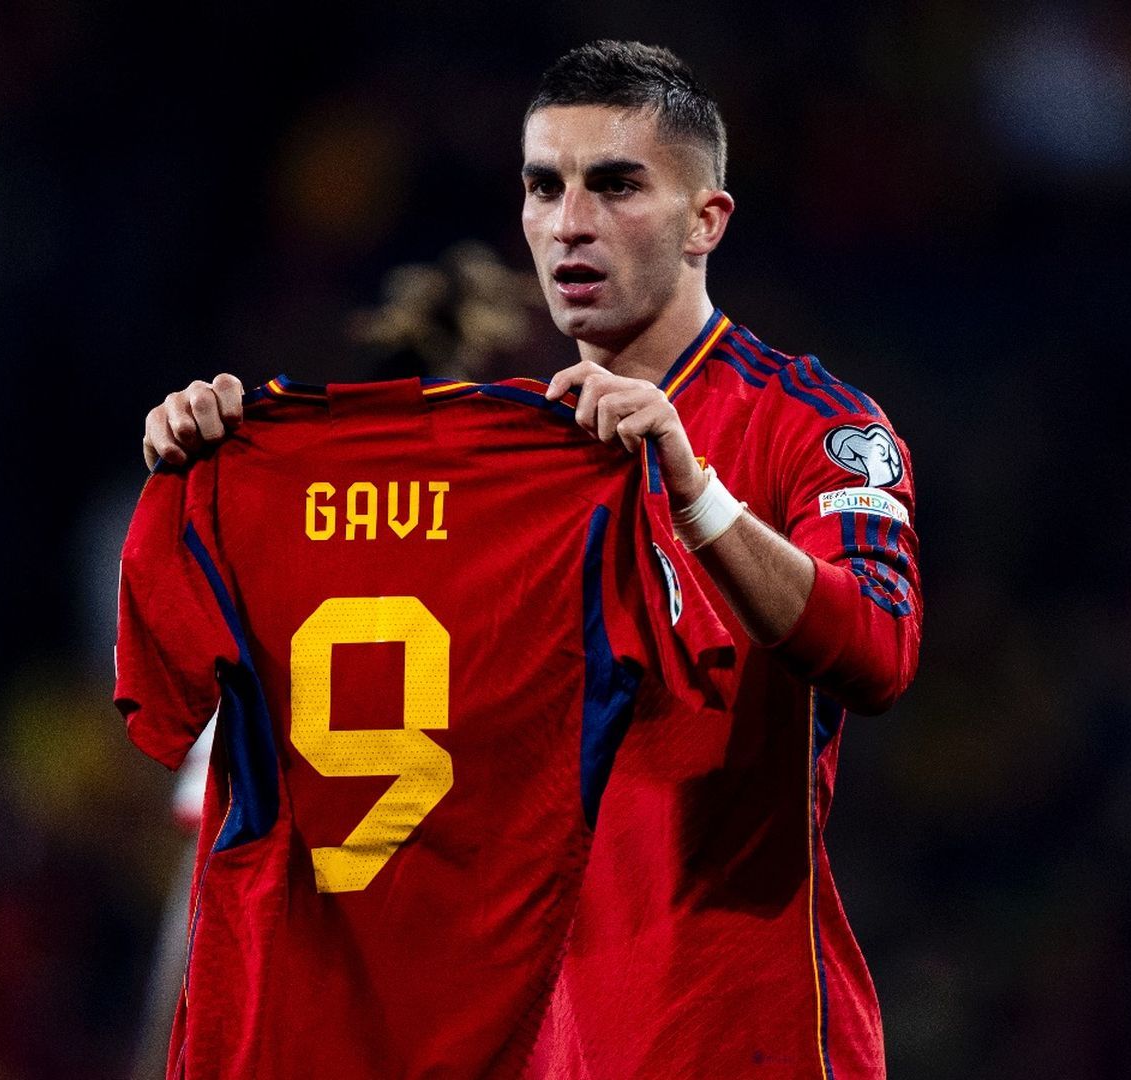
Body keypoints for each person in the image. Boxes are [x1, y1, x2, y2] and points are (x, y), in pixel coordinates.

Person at [140, 41, 922, 1079]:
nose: (570, 223)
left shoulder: (808, 425)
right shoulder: (498, 465)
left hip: (741, 1034)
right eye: (543, 187)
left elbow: (878, 651)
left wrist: (697, 495)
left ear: (706, 221)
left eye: (615, 185)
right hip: (532, 1046)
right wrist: (224, 466)